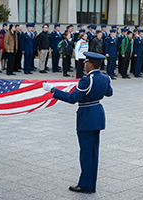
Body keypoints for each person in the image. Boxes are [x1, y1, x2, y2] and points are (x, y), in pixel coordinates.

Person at [43, 52, 113, 194]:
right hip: (97, 115)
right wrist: (107, 81)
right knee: (93, 152)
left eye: (86, 62)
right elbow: (109, 93)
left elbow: (72, 98)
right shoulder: (105, 78)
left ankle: (86, 185)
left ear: (91, 65)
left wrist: (52, 90)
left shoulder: (86, 80)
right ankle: (91, 183)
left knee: (86, 153)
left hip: (86, 117)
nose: (85, 65)